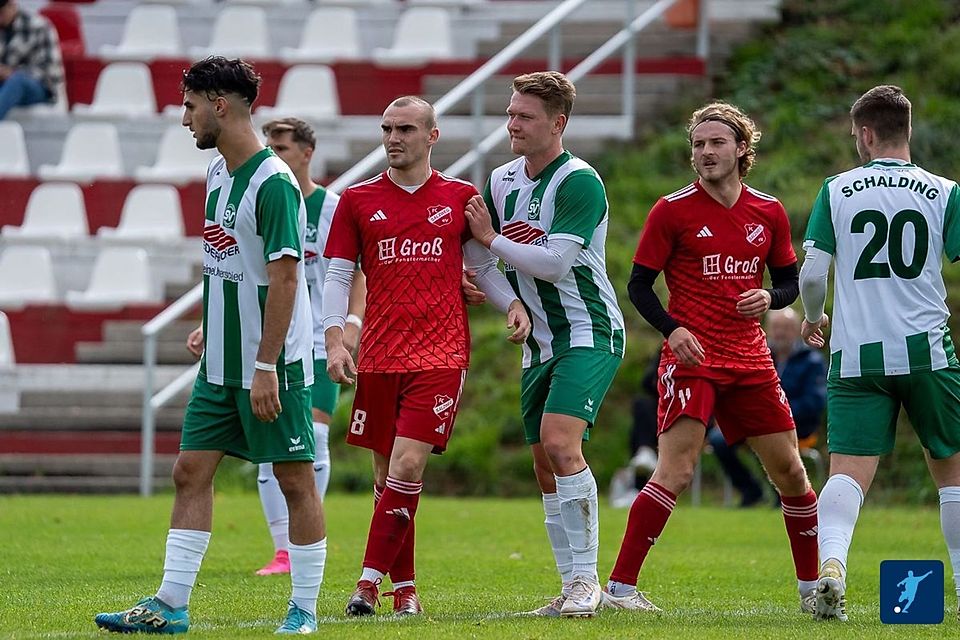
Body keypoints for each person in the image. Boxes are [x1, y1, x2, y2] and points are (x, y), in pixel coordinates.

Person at [95, 57, 326, 635]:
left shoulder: (273, 184)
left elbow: (285, 280)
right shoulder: (218, 173)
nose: (184, 118)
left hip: (271, 367)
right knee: (189, 470)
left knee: (295, 479)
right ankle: (171, 605)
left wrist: (268, 364)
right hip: (221, 364)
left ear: (220, 106)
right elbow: (226, 262)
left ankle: (303, 610)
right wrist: (208, 317)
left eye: (190, 104)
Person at [322, 95, 530, 617]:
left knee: (408, 465)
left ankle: (367, 584)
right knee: (385, 479)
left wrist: (514, 304)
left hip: (440, 352)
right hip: (379, 353)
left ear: (432, 136)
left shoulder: (460, 198)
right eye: (387, 128)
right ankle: (406, 587)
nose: (394, 138)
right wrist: (333, 339)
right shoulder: (357, 200)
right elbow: (339, 275)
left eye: (407, 129)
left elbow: (481, 267)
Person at [608, 101, 820, 614]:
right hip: (693, 357)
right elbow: (638, 286)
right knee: (675, 471)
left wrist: (770, 298)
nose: (704, 152)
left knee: (791, 472)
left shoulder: (767, 211)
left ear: (742, 149)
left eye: (715, 142)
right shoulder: (672, 210)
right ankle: (620, 589)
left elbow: (790, 281)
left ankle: (815, 592)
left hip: (750, 359)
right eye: (698, 144)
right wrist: (673, 328)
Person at [463, 71, 626, 618]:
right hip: (539, 342)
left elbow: (555, 264)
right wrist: (507, 300)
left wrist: (491, 238)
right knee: (543, 464)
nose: (512, 124)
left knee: (561, 443)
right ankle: (569, 585)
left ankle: (587, 581)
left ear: (558, 123)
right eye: (510, 114)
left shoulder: (579, 181)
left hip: (589, 330)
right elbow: (479, 261)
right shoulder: (503, 180)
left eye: (525, 116)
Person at [800, 84, 960, 622]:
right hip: (928, 356)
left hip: (858, 357)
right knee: (952, 475)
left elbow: (813, 273)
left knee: (846, 473)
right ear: (906, 131)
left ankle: (832, 569)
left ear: (865, 134)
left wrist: (814, 316)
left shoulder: (837, 189)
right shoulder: (943, 191)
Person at [185, 116, 367, 577]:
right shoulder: (247, 187)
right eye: (271, 144)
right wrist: (212, 323)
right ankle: (283, 547)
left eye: (283, 146)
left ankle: (299, 545)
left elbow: (354, 271)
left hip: (313, 340)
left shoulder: (329, 206)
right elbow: (237, 265)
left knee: (314, 440)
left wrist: (350, 324)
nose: (275, 152)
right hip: (262, 335)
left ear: (307, 152)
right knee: (272, 454)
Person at [707, 307, 827, 507]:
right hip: (757, 421)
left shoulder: (812, 361)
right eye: (776, 327)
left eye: (787, 328)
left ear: (797, 330)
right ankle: (751, 491)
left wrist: (776, 414)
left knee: (768, 439)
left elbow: (814, 402)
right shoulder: (757, 357)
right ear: (767, 330)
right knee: (719, 439)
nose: (780, 333)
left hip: (798, 425)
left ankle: (786, 494)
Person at [0, 0, 63, 119]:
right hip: (5, 87)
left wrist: (10, 73)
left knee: (17, 81)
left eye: (1, 13)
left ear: (12, 6)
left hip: (38, 88)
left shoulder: (39, 26)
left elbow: (49, 71)